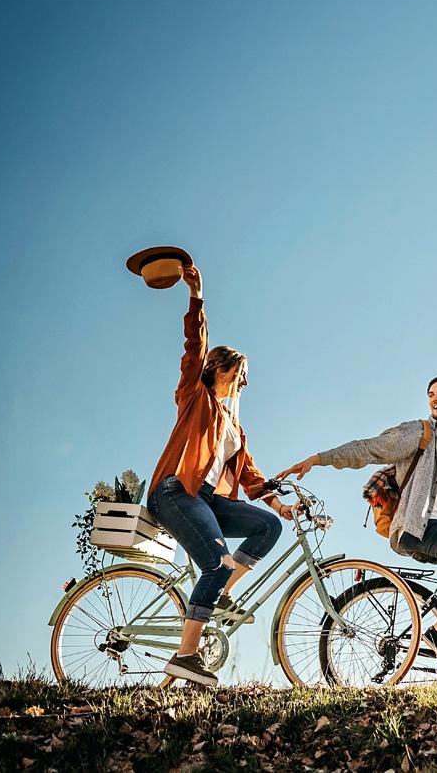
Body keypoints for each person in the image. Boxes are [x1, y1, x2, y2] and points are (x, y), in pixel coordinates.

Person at [277, 375, 437, 671]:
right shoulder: (418, 433)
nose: (435, 398)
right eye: (431, 394)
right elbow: (369, 448)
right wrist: (319, 458)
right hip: (419, 527)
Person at [144, 263, 294, 687]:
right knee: (217, 563)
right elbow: (195, 347)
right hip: (177, 492)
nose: (244, 383)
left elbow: (248, 472)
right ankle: (185, 656)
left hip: (208, 500)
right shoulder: (195, 396)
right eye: (240, 374)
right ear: (220, 369)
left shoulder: (234, 425)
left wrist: (277, 503)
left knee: (268, 526)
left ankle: (223, 592)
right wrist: (197, 297)